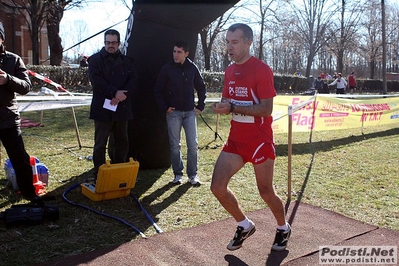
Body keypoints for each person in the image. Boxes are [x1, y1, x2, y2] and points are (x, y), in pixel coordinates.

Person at [211, 23, 291, 252]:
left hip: (259, 139)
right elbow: (228, 100)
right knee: (217, 187)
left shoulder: (261, 69)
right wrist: (222, 106)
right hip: (236, 138)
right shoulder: (229, 70)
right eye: (227, 42)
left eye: (234, 42)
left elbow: (266, 109)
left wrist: (234, 106)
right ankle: (244, 225)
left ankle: (283, 228)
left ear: (248, 42)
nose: (229, 46)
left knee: (265, 192)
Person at [154, 41, 206, 186]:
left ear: (186, 53)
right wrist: (165, 107)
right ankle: (178, 174)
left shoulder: (192, 68)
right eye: (174, 51)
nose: (176, 55)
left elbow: (201, 87)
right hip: (173, 113)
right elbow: (158, 90)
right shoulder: (167, 68)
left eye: (179, 52)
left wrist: (200, 106)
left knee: (193, 144)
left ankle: (192, 175)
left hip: (189, 112)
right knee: (175, 145)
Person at [88, 29, 137, 177]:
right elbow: (97, 82)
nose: (111, 45)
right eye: (108, 42)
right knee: (100, 143)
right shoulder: (95, 60)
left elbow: (133, 80)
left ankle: (119, 171)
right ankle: (99, 173)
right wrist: (114, 93)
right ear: (104, 43)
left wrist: (122, 95)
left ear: (118, 43)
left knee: (121, 142)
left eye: (113, 42)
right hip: (102, 108)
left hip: (122, 107)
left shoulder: (127, 62)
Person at [0, 22, 37, 200]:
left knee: (20, 160)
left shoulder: (13, 59)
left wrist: (7, 79)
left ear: (2, 38)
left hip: (8, 119)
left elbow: (26, 86)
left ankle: (30, 194)